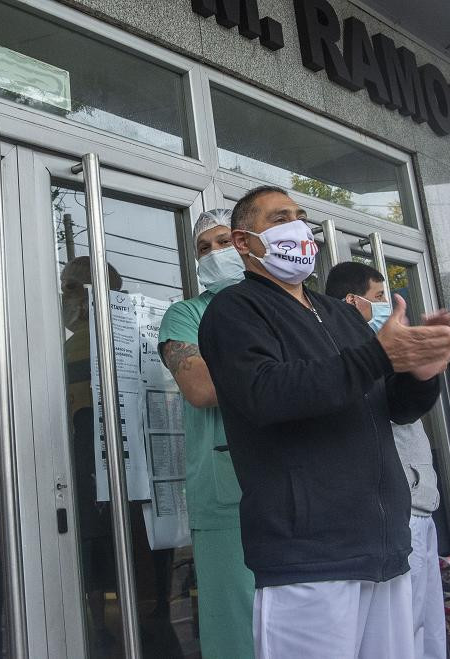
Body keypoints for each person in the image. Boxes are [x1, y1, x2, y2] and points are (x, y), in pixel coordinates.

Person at [197, 185, 450, 658]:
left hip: (382, 550)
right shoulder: (233, 310)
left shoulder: (340, 314)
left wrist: (420, 374)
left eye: (300, 215)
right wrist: (376, 355)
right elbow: (265, 394)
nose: (298, 226)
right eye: (280, 218)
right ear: (243, 241)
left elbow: (391, 408)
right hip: (308, 557)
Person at [326, 261, 446, 659]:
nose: (389, 307)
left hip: (421, 502)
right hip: (395, 507)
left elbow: (408, 406)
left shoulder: (385, 352)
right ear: (350, 301)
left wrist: (423, 370)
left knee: (427, 625)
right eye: (379, 298)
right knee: (400, 632)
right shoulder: (347, 356)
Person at [158, 209, 254, 658]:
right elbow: (201, 386)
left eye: (223, 242)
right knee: (236, 625)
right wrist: (288, 369)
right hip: (225, 493)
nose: (215, 254)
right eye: (204, 248)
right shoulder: (186, 316)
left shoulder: (284, 304)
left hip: (297, 485)